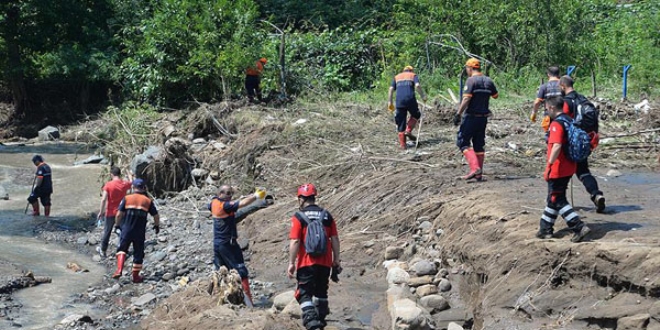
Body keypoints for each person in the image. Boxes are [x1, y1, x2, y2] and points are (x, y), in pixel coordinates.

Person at [537, 96, 591, 242]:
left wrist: (549, 166)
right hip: (569, 166)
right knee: (552, 198)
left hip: (558, 167)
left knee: (557, 198)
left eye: (547, 109)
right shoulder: (569, 120)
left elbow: (557, 146)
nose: (546, 112)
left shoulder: (557, 124)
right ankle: (545, 228)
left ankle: (578, 226)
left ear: (552, 108)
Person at [287, 183, 341, 330]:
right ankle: (321, 320)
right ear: (314, 197)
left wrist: (291, 262)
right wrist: (336, 259)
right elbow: (334, 239)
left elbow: (295, 241)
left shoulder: (299, 216)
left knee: (303, 294)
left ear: (301, 199)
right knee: (321, 291)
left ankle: (312, 323)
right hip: (325, 262)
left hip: (306, 262)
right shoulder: (327, 215)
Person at [209, 185, 267, 307]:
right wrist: (256, 196)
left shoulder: (214, 202)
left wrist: (239, 198)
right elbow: (242, 204)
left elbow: (235, 203)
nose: (230, 196)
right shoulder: (224, 206)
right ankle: (248, 303)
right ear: (221, 194)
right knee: (241, 271)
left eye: (231, 194)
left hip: (218, 244)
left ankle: (221, 302)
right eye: (228, 194)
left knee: (220, 272)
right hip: (228, 244)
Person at [559, 75, 606, 212]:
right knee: (583, 171)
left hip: (571, 143)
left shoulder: (566, 102)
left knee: (564, 173)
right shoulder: (582, 99)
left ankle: (559, 201)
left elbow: (563, 122)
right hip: (585, 141)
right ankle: (596, 194)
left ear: (563, 86)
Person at [454, 58, 498, 181]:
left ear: (470, 68)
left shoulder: (471, 81)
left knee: (462, 142)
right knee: (479, 144)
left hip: (471, 117)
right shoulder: (489, 81)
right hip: (483, 119)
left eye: (467, 69)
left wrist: (458, 114)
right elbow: (495, 95)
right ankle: (479, 174)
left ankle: (474, 168)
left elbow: (466, 99)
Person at [112, 179, 160, 283]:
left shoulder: (127, 198)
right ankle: (135, 277)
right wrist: (156, 226)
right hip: (139, 232)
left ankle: (119, 270)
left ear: (133, 188)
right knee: (138, 253)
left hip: (126, 230)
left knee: (122, 249)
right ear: (143, 188)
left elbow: (119, 214)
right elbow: (156, 216)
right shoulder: (147, 201)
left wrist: (117, 225)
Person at [387, 65, 428, 149]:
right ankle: (408, 131)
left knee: (401, 122)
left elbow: (391, 89)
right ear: (411, 70)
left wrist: (389, 102)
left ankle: (403, 146)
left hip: (399, 102)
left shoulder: (397, 77)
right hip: (410, 99)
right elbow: (417, 86)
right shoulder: (413, 75)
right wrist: (423, 96)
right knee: (416, 114)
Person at [96, 166, 133, 258]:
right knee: (123, 230)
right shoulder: (123, 183)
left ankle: (103, 251)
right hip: (121, 212)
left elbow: (104, 199)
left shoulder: (108, 185)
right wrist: (129, 174)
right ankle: (123, 249)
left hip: (110, 213)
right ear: (119, 174)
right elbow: (132, 183)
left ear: (111, 174)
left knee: (107, 232)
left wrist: (101, 212)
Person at [530, 66, 563, 131]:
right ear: (558, 74)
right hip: (563, 114)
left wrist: (534, 113)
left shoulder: (544, 87)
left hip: (549, 115)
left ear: (548, 74)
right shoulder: (563, 85)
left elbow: (537, 102)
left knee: (550, 136)